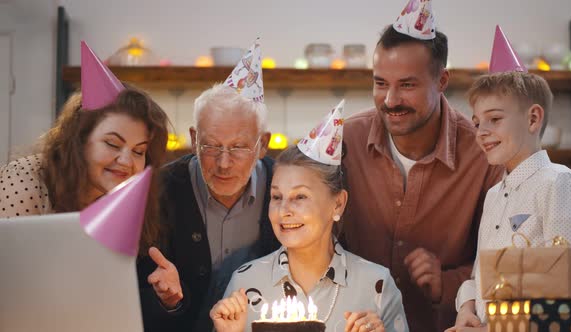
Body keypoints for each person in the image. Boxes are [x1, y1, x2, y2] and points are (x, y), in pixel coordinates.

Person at [341, 1, 504, 330]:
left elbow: (504, 260)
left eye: (407, 85)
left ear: (442, 80)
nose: (390, 100)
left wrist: (446, 281)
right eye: (381, 83)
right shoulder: (345, 142)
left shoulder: (485, 153)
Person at [0, 41, 171, 328]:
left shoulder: (119, 203)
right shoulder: (25, 182)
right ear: (79, 140)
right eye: (112, 143)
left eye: (139, 151)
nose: (127, 161)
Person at [211, 103, 409, 332]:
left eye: (300, 196)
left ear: (338, 204)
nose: (284, 210)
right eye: (276, 196)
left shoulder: (376, 285)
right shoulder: (244, 283)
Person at [447, 27, 571, 332]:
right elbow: (480, 274)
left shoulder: (558, 184)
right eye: (476, 122)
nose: (481, 131)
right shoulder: (494, 195)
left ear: (533, 118)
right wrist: (467, 309)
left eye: (495, 119)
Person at [143, 39, 281, 332]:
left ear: (263, 145)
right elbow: (140, 299)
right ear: (193, 140)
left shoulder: (285, 188)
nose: (224, 163)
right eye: (211, 146)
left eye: (239, 147)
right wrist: (170, 301)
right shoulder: (159, 192)